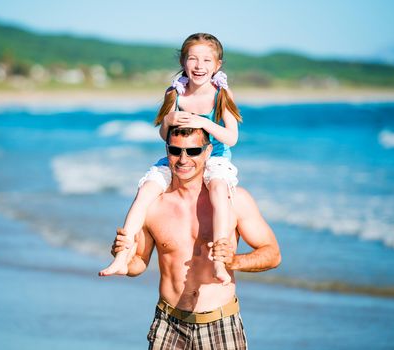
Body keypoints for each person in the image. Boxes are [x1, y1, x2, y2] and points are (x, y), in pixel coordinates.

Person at [109, 126, 281, 349]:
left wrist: (234, 261)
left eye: (193, 151)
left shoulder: (234, 200)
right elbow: (139, 262)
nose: (183, 159)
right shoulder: (152, 205)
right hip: (168, 324)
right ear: (167, 150)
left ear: (208, 151)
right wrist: (126, 261)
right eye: (175, 150)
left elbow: (272, 254)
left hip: (220, 324)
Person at [99, 33, 242, 285]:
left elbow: (231, 137)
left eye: (207, 60)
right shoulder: (175, 92)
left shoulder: (221, 94)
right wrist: (168, 121)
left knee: (219, 191)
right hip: (179, 156)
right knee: (146, 190)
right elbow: (164, 135)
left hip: (215, 156)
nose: (200, 66)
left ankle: (219, 260)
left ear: (217, 65)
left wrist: (201, 122)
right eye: (193, 59)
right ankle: (122, 256)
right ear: (183, 61)